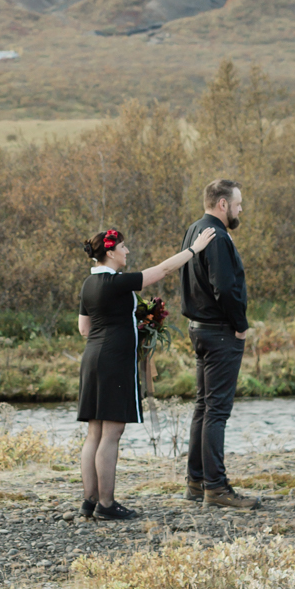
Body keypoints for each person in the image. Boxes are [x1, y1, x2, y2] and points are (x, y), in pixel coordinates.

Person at [78, 224, 215, 521]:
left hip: (92, 359)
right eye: (124, 247)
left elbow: (83, 329)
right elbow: (163, 269)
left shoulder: (88, 285)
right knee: (112, 433)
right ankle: (106, 504)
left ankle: (88, 502)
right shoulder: (116, 282)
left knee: (94, 432)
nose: (127, 252)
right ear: (111, 252)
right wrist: (195, 249)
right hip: (115, 360)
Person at [179, 178, 259, 510]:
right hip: (220, 331)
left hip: (199, 328)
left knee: (203, 407)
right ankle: (216, 487)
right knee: (216, 411)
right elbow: (225, 288)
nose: (241, 209)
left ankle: (196, 482)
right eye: (238, 203)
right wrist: (240, 326)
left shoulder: (194, 230)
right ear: (223, 204)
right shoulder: (218, 236)